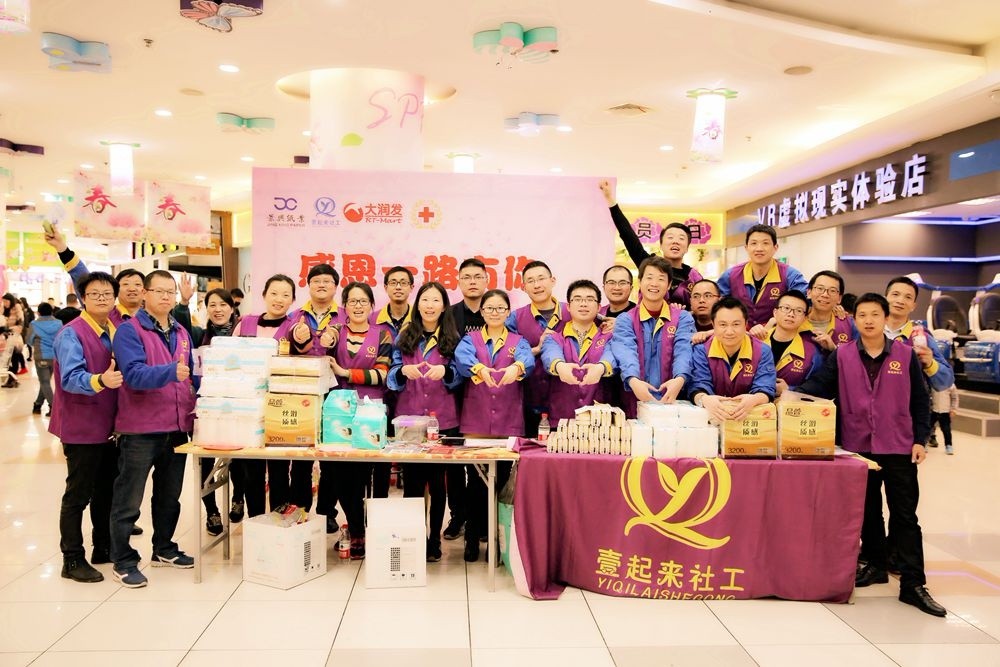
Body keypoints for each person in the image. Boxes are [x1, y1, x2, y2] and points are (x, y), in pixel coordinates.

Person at [799, 293, 945, 618]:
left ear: (884, 318)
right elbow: (818, 386)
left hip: (898, 445)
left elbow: (921, 400)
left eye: (875, 314)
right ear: (855, 320)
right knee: (868, 511)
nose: (868, 320)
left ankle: (913, 583)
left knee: (905, 516)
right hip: (858, 445)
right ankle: (876, 565)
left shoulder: (905, 355)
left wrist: (920, 439)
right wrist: (783, 391)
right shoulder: (843, 355)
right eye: (862, 315)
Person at [110, 270, 197, 588]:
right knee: (128, 499)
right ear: (145, 294)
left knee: (169, 496)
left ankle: (164, 548)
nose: (165, 297)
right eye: (158, 291)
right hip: (141, 430)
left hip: (177, 427)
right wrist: (170, 372)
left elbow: (191, 374)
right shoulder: (129, 331)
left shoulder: (182, 332)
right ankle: (123, 560)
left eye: (170, 292)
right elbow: (132, 375)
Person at [50, 271, 123, 583]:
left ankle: (103, 547)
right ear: (83, 298)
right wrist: (100, 380)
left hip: (109, 426)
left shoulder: (115, 328)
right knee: (78, 494)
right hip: (81, 426)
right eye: (94, 294)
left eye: (107, 293)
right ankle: (71, 559)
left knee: (106, 490)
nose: (102, 298)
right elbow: (69, 378)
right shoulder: (71, 334)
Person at [455, 289, 533, 561]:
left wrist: (517, 368)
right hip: (476, 419)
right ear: (482, 311)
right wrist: (479, 369)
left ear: (508, 312)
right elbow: (462, 359)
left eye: (501, 308)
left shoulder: (518, 340)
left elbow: (528, 360)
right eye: (490, 308)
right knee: (475, 482)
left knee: (500, 481)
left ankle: (496, 540)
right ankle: (471, 537)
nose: (495, 312)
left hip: (508, 420)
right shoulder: (471, 339)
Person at [387, 282, 463, 562]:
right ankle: (414, 537)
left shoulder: (453, 337)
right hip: (410, 419)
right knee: (413, 483)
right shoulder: (405, 335)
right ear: (417, 304)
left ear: (444, 306)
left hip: (443, 418)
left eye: (435, 300)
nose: (430, 305)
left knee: (438, 482)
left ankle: (434, 539)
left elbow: (461, 376)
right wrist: (402, 371)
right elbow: (392, 374)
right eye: (425, 300)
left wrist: (446, 371)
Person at [320, 282, 394, 560]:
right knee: (341, 475)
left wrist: (345, 372)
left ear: (372, 305)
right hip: (338, 415)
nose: (358, 306)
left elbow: (382, 374)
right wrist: (324, 338)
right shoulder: (335, 331)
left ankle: (376, 529)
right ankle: (356, 528)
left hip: (372, 414)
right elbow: (321, 355)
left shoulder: (383, 334)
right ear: (345, 306)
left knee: (374, 475)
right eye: (352, 301)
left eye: (363, 301)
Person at [175, 285, 243, 535]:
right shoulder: (197, 335)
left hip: (236, 406)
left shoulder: (242, 335)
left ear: (232, 308)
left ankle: (238, 498)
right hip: (204, 408)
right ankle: (212, 512)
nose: (218, 309)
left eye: (223, 304)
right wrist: (184, 303)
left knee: (240, 457)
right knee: (205, 463)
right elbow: (181, 325)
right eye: (212, 305)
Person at [233, 275, 299, 519]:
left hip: (279, 406)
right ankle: (256, 521)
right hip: (248, 405)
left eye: (285, 295)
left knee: (280, 468)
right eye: (274, 293)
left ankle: (278, 522)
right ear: (263, 295)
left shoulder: (295, 328)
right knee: (252, 469)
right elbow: (232, 359)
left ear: (292, 300)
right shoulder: (245, 323)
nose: (279, 299)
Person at [599, 180, 703, 308]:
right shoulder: (648, 264)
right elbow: (628, 236)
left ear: (687, 247)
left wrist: (685, 312)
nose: (675, 241)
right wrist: (611, 200)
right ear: (661, 245)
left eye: (681, 238)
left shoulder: (694, 276)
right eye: (670, 237)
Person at [611, 256, 695, 414]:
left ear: (669, 285)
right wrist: (633, 380)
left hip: (673, 400)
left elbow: (684, 351)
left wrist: (680, 378)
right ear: (640, 282)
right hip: (634, 401)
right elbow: (625, 351)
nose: (654, 283)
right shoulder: (626, 319)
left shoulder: (682, 318)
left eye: (661, 279)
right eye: (649, 277)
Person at [443, 259, 489, 541]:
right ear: (458, 282)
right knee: (453, 463)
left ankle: (480, 520)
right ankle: (457, 516)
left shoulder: (495, 310)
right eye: (467, 277)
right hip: (453, 394)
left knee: (480, 462)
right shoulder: (449, 314)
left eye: (477, 276)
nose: (472, 281)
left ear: (486, 280)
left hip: (487, 397)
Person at [506, 261, 570, 435]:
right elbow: (505, 355)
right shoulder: (515, 318)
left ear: (553, 281)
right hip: (528, 402)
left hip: (568, 401)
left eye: (541, 279)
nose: (536, 285)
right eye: (530, 281)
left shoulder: (573, 311)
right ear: (523, 287)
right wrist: (535, 349)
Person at [688, 297, 777, 422]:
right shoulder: (701, 350)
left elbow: (766, 388)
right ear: (713, 325)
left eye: (736, 324)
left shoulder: (762, 351)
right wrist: (704, 399)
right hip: (712, 418)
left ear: (745, 324)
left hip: (748, 419)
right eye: (723, 325)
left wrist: (755, 399)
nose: (729, 331)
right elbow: (698, 385)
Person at [542, 280, 615, 421]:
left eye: (590, 299)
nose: (583, 304)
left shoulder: (609, 337)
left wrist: (601, 367)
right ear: (568, 306)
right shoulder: (554, 338)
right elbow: (550, 354)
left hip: (599, 421)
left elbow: (611, 355)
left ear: (599, 307)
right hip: (561, 420)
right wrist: (559, 366)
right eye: (577, 299)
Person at [371, 266, 415, 499]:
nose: (398, 287)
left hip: (411, 397)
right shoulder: (372, 319)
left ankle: (411, 507)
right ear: (385, 287)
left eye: (403, 282)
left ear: (411, 287)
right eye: (393, 282)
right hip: (378, 397)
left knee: (412, 460)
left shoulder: (421, 319)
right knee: (380, 456)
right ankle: (378, 504)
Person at [46, 226, 146, 327]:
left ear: (144, 291)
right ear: (115, 291)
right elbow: (81, 275)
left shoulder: (151, 318)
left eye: (137, 284)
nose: (132, 289)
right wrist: (62, 248)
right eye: (126, 284)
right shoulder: (104, 314)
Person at [717, 224, 808, 328]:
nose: (759, 248)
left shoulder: (790, 275)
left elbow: (803, 306)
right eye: (754, 243)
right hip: (738, 334)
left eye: (765, 243)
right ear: (746, 248)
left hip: (777, 333)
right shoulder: (730, 275)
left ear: (775, 247)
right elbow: (718, 308)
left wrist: (775, 321)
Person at [883, 276, 955, 392]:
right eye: (895, 294)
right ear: (884, 299)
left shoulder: (922, 337)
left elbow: (945, 382)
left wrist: (930, 364)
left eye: (908, 297)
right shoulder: (868, 331)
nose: (900, 301)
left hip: (907, 402)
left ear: (913, 306)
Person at [767, 290, 822, 397]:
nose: (791, 314)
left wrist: (790, 390)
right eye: (786, 308)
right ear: (775, 312)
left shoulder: (812, 352)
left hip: (791, 406)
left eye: (799, 311)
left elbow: (818, 388)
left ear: (805, 318)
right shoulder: (756, 342)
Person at [802, 270, 857, 353]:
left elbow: (859, 358)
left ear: (839, 298)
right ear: (809, 292)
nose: (825, 294)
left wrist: (834, 349)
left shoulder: (851, 325)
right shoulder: (796, 322)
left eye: (832, 290)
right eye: (820, 288)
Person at [26, 302, 62, 415]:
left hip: (41, 356)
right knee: (45, 382)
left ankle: (54, 407)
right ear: (52, 311)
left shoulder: (34, 324)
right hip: (56, 356)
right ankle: (37, 405)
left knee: (44, 382)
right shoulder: (59, 323)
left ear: (38, 312)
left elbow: (29, 340)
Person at [2, 293, 26, 380]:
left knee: (15, 353)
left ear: (10, 300)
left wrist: (16, 329)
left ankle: (15, 372)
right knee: (11, 354)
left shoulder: (16, 307)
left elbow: (21, 321)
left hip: (15, 334)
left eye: (6, 301)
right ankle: (13, 372)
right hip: (7, 334)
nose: (5, 303)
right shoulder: (4, 309)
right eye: (3, 301)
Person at [929, 383, 958, 455]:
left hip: (945, 412)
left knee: (946, 430)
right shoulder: (933, 383)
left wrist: (954, 409)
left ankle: (948, 445)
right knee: (927, 427)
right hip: (933, 410)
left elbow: (954, 398)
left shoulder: (951, 384)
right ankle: (924, 443)